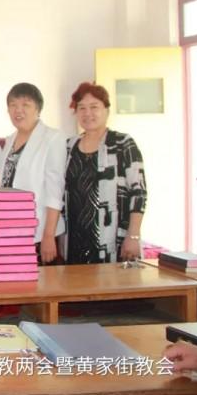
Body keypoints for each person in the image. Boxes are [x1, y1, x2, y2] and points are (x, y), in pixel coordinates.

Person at [63, 82, 146, 264]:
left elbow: (138, 192)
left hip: (113, 239)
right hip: (74, 240)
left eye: (94, 107)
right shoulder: (69, 146)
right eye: (82, 108)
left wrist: (133, 236)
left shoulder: (123, 143)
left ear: (107, 110)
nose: (88, 113)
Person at [0, 83, 67, 264]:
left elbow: (55, 190)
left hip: (40, 232)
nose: (18, 110)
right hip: (12, 230)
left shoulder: (52, 138)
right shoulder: (10, 140)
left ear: (38, 109)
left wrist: (48, 235)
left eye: (25, 105)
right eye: (13, 105)